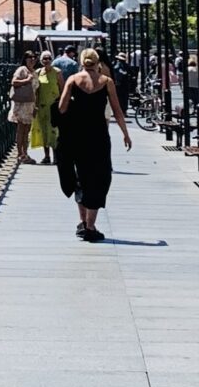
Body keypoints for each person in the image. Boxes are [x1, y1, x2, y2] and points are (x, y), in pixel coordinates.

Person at [56, 47, 132, 241]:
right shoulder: (106, 82)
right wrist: (125, 133)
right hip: (98, 135)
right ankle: (90, 225)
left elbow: (62, 108)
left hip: (77, 135)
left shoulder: (73, 80)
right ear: (98, 62)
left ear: (81, 61)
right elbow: (117, 110)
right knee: (99, 176)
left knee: (81, 176)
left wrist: (74, 101)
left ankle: (83, 223)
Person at [7, 53, 39, 165]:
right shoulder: (22, 70)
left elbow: (36, 90)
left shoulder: (34, 72)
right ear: (25, 59)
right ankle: (20, 154)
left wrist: (36, 105)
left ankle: (25, 153)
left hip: (30, 104)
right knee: (21, 129)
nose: (32, 59)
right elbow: (14, 82)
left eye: (34, 58)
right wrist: (27, 80)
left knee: (27, 130)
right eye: (30, 58)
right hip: (21, 104)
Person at [32, 55, 62, 166]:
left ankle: (56, 156)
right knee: (44, 131)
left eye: (49, 58)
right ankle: (46, 156)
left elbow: (62, 88)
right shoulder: (38, 72)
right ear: (41, 60)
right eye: (44, 58)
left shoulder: (57, 72)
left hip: (54, 105)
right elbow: (36, 91)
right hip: (42, 105)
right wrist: (35, 106)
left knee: (54, 131)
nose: (47, 60)